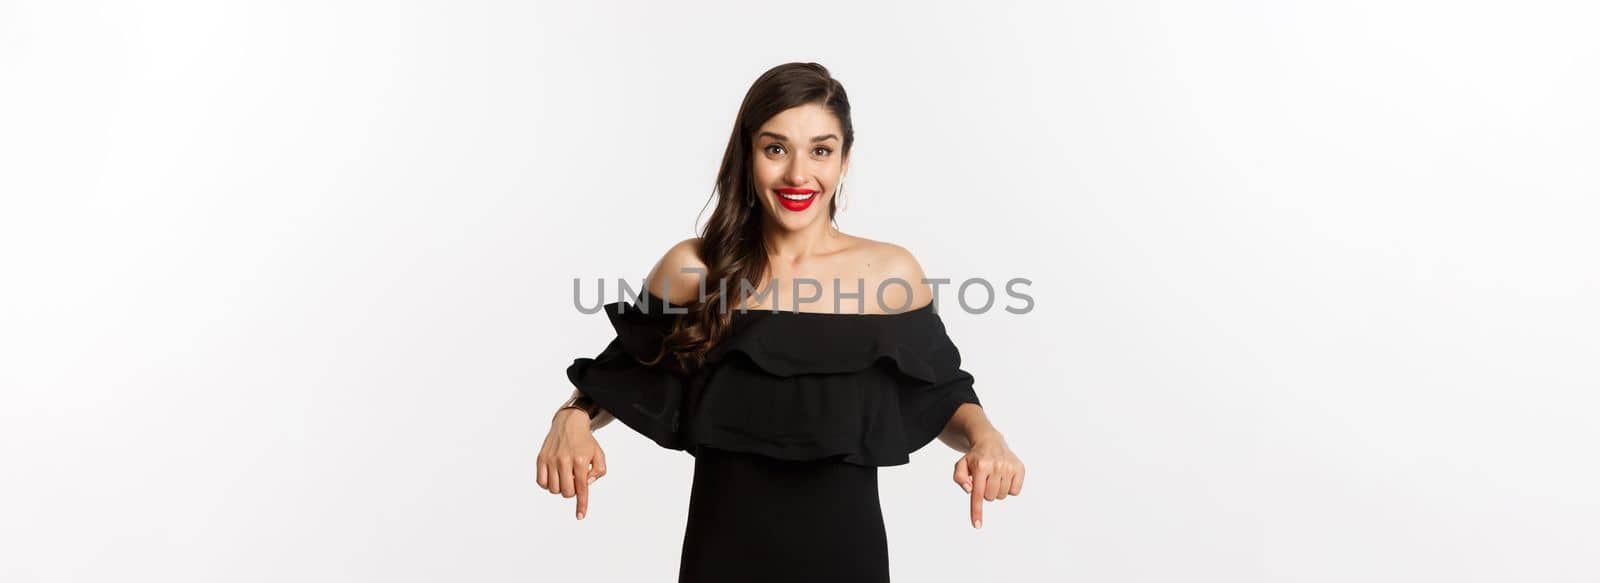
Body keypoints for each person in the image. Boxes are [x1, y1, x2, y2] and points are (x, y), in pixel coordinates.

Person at [536, 62, 1025, 583]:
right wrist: (570, 419)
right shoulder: (692, 269)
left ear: (844, 160)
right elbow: (618, 378)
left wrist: (986, 438)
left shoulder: (891, 273)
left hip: (848, 562)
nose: (798, 175)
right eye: (776, 149)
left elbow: (943, 392)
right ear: (748, 156)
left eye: (820, 150)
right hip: (721, 562)